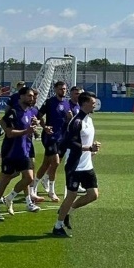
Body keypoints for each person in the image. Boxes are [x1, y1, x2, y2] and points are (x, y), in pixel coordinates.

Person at [51, 91, 102, 238]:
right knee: (72, 195)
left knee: (93, 195)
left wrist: (93, 147)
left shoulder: (89, 119)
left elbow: (85, 140)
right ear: (84, 103)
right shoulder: (76, 121)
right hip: (75, 166)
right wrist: (88, 148)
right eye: (92, 102)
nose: (95, 105)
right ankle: (58, 226)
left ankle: (67, 212)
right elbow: (68, 143)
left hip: (87, 165)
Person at [0, 85, 41, 220]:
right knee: (5, 180)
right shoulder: (13, 112)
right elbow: (9, 133)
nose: (32, 98)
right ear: (22, 96)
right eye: (29, 96)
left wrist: (37, 130)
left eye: (32, 96)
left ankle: (10, 197)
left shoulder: (30, 112)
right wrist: (26, 131)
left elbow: (30, 130)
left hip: (25, 150)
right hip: (11, 151)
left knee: (29, 178)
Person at [32, 80, 70, 202]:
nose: (63, 91)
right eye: (60, 89)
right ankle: (51, 192)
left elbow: (67, 120)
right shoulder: (49, 102)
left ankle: (34, 186)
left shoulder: (67, 103)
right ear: (55, 90)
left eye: (64, 89)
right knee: (56, 163)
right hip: (50, 137)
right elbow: (38, 116)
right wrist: (44, 127)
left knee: (46, 164)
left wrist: (70, 119)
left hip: (61, 137)